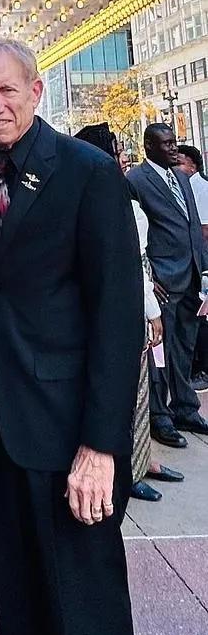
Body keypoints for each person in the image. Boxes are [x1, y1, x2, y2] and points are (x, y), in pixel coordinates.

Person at [0, 39, 144, 635]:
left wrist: (101, 446)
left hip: (73, 442)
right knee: (24, 612)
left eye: (7, 92)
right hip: (1, 436)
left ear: (36, 90)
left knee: (87, 621)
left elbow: (118, 315)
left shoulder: (90, 174)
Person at [75, 124, 184, 502]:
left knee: (144, 387)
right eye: (116, 151)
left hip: (136, 297)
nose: (123, 157)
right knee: (131, 392)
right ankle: (131, 468)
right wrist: (151, 311)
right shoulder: (108, 196)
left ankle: (143, 459)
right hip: (127, 308)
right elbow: (130, 263)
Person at [127, 124, 208, 444]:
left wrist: (202, 269)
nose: (175, 148)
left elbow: (190, 225)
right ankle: (160, 416)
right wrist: (149, 279)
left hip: (189, 277)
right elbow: (134, 235)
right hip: (161, 282)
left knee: (184, 348)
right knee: (159, 355)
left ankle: (186, 408)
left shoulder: (182, 178)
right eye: (167, 143)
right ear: (148, 146)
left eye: (175, 142)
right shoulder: (135, 181)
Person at [175, 145, 208, 391]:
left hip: (200, 261)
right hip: (193, 262)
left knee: (202, 316)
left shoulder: (200, 187)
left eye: (181, 163)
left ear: (193, 166)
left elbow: (204, 230)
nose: (177, 167)